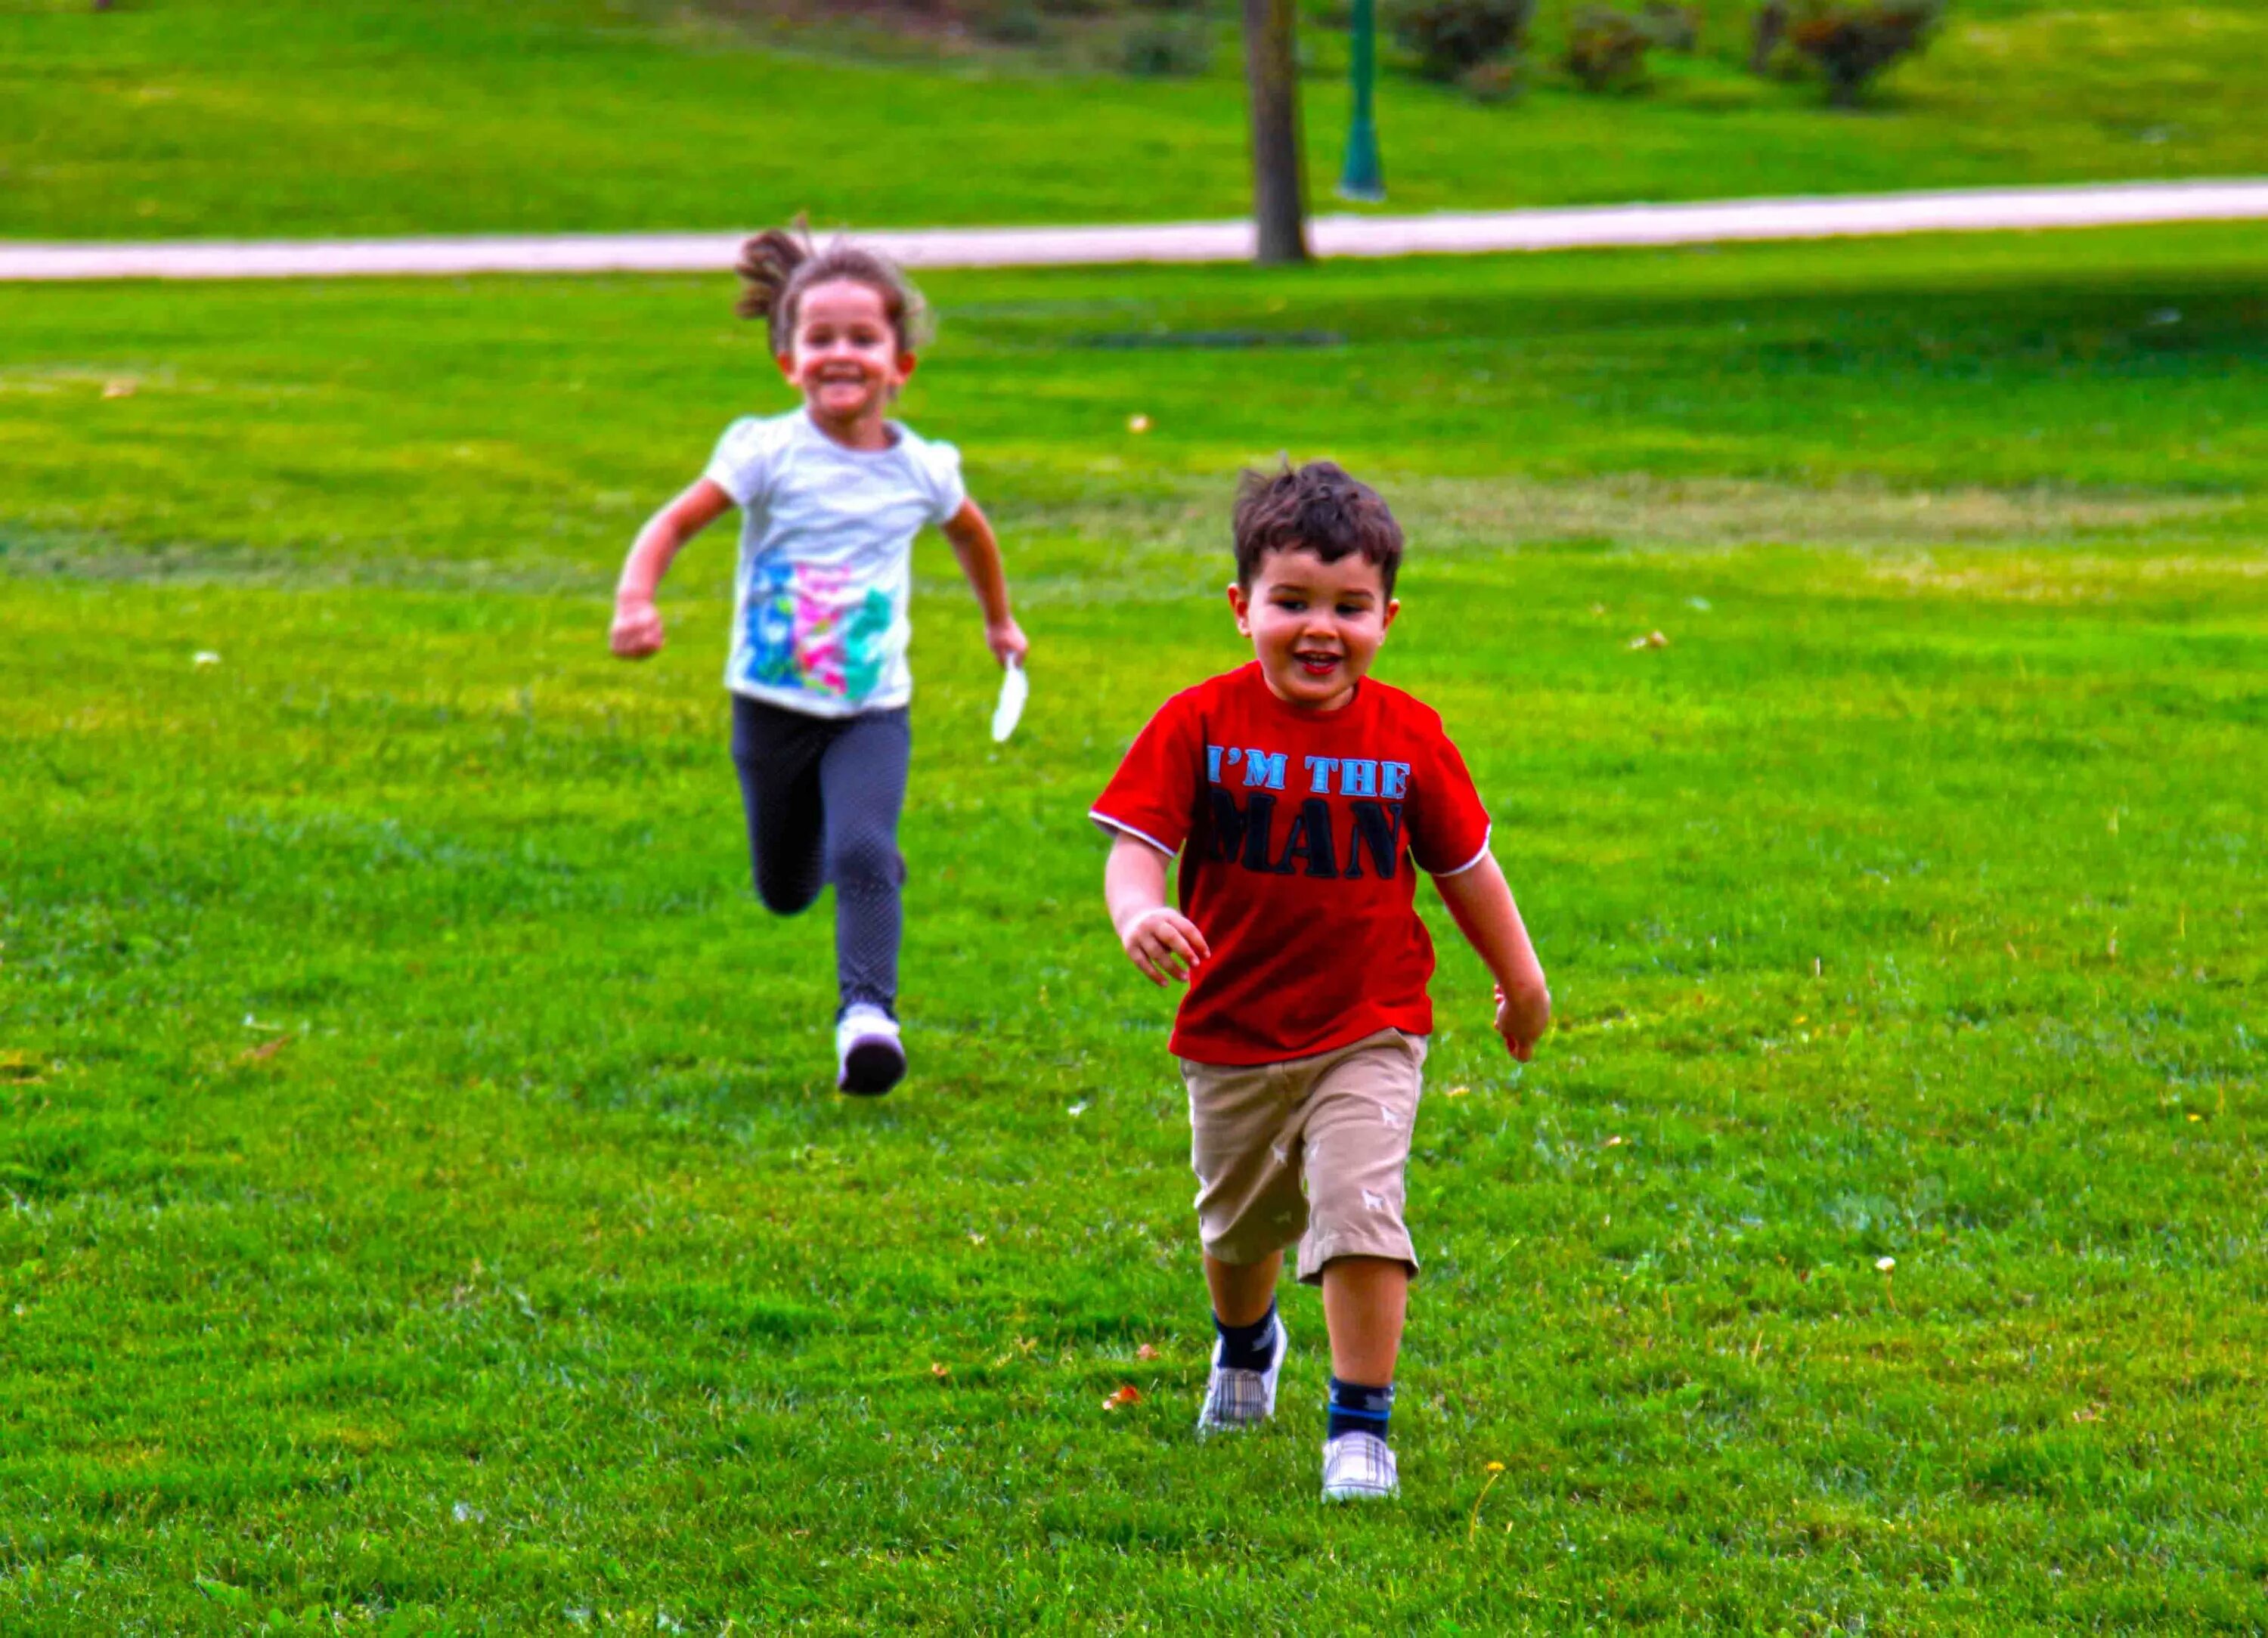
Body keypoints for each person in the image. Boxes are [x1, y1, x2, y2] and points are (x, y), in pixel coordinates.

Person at [1089, 460, 1549, 1501]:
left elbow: (1466, 868)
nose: (1319, 627)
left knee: (1359, 1208)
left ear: (1389, 614)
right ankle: (1247, 1343)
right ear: (1241, 605)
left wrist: (1523, 985)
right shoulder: (1198, 721)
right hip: (1233, 1029)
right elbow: (1133, 845)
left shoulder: (1409, 735)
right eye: (1291, 600)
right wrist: (1138, 909)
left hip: (1369, 1024)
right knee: (1238, 1228)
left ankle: (1359, 1425)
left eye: (1349, 607)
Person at [609, 225, 1027, 1095]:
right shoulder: (764, 451)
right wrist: (636, 597)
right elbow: (675, 523)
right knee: (786, 884)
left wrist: (1000, 623)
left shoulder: (924, 469)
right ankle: (832, 884)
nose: (843, 353)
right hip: (770, 704)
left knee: (867, 846)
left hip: (873, 706)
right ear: (789, 361)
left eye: (864, 338)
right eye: (821, 338)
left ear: (901, 363)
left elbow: (972, 537)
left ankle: (867, 1019)